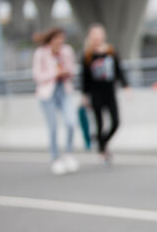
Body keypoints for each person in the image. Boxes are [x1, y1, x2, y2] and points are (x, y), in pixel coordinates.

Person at [32, 27, 79, 175]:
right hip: (47, 94)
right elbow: (37, 76)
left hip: (64, 90)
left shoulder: (67, 51)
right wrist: (55, 72)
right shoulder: (41, 53)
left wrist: (67, 71)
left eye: (62, 38)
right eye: (57, 38)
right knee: (53, 127)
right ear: (51, 39)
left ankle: (69, 154)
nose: (60, 41)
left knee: (71, 123)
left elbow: (73, 69)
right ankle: (55, 158)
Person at [81, 23, 128, 163]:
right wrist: (84, 95)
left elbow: (119, 70)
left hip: (110, 91)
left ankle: (102, 143)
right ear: (90, 37)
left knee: (116, 122)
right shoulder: (88, 55)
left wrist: (126, 85)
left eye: (99, 34)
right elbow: (85, 77)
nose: (97, 37)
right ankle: (103, 150)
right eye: (94, 35)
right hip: (95, 93)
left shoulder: (111, 51)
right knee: (99, 122)